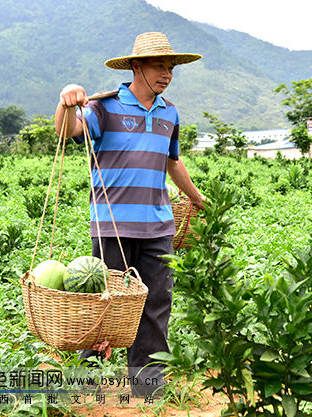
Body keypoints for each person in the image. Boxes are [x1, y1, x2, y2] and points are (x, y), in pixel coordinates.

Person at [54, 32, 205, 397]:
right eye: (159, 66)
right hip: (113, 226)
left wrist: (198, 198)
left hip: (159, 226)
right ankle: (84, 381)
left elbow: (172, 161)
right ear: (137, 66)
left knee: (155, 304)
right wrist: (66, 101)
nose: (166, 74)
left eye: (170, 68)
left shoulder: (170, 112)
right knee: (101, 304)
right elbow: (67, 129)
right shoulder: (103, 107)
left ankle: (147, 387)